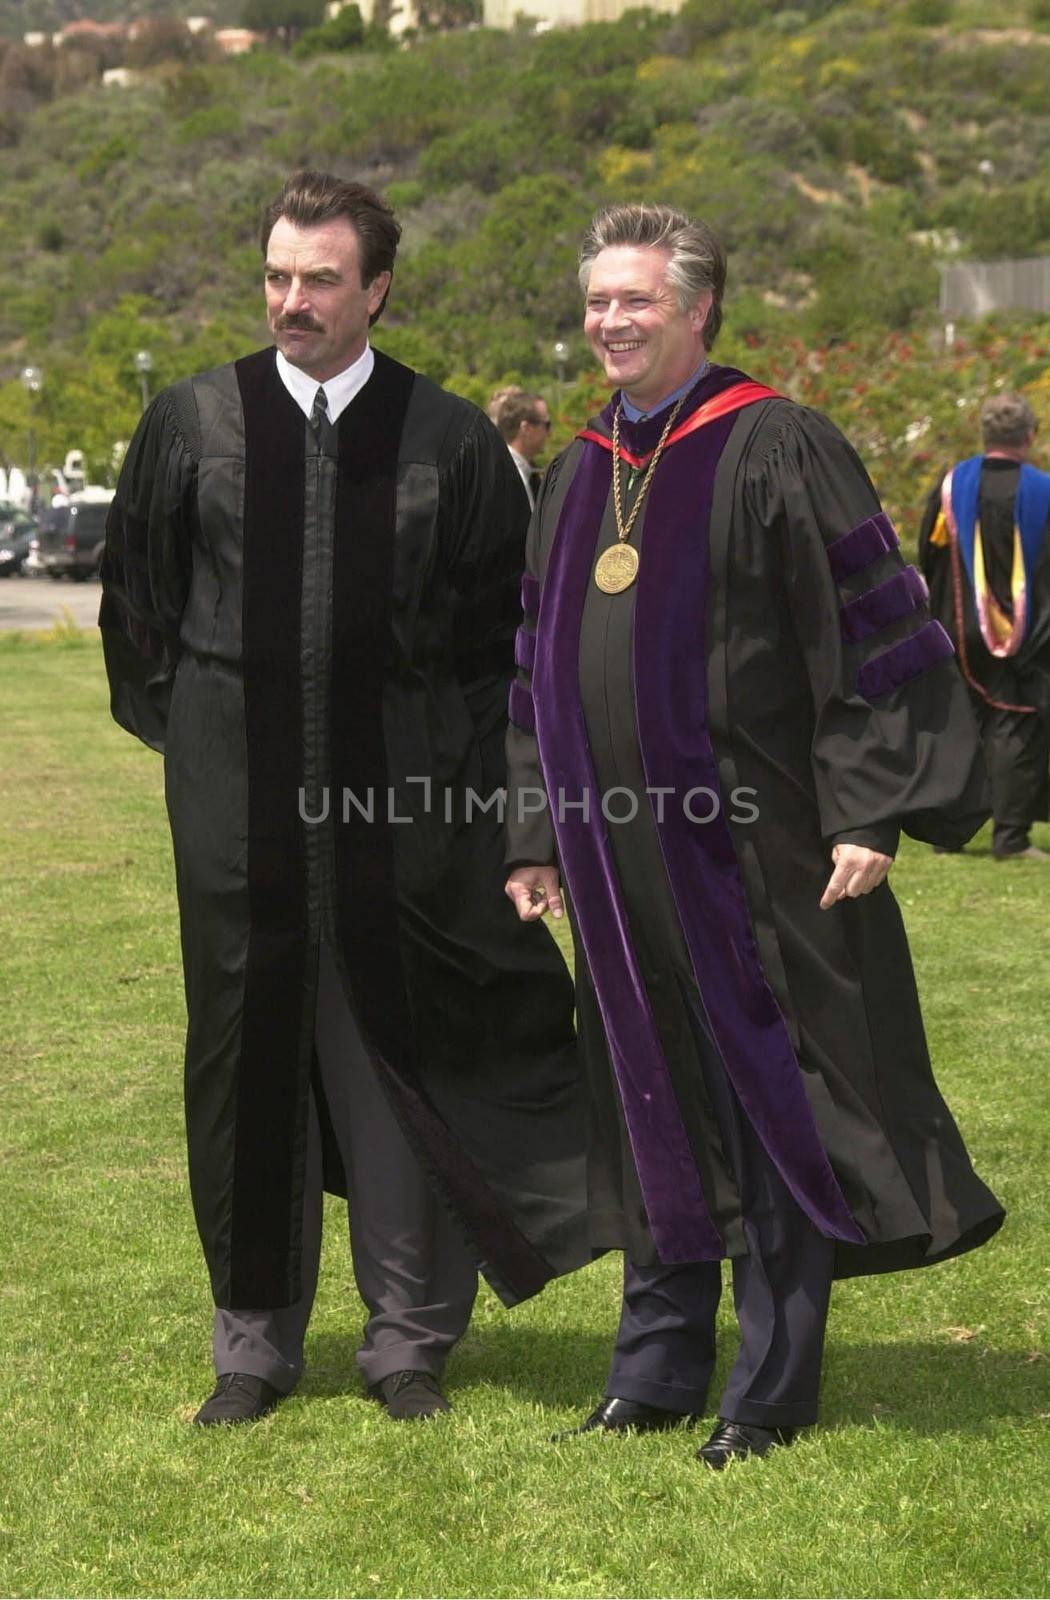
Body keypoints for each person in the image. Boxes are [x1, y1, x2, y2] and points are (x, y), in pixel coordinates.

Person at [504, 203, 1004, 1470]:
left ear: (698, 307)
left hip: (759, 847)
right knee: (645, 1093)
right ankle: (655, 1368)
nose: (610, 322)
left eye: (636, 301)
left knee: (771, 1093)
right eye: (597, 302)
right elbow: (531, 667)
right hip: (615, 859)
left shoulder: (776, 444)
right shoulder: (576, 470)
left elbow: (876, 628)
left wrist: (869, 805)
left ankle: (770, 1386)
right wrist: (533, 833)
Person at [100, 169, 591, 1428]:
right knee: (242, 1059)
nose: (292, 300)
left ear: (377, 286)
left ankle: (408, 1339)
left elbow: (502, 647)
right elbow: (139, 617)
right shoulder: (194, 420)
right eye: (276, 275)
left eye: (321, 278)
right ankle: (253, 1343)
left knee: (400, 1056)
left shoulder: (452, 441)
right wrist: (214, 747)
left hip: (410, 814)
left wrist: (490, 806)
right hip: (237, 814)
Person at [919, 392, 1050, 860]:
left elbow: (929, 554)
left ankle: (942, 835)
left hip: (957, 623)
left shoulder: (953, 485)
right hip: (1025, 633)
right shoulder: (1043, 491)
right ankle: (1010, 838)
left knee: (959, 722)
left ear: (986, 435)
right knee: (1017, 721)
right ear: (1030, 436)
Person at [492, 389, 552, 511]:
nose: (550, 433)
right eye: (546, 425)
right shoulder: (507, 477)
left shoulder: (523, 472)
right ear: (526, 429)